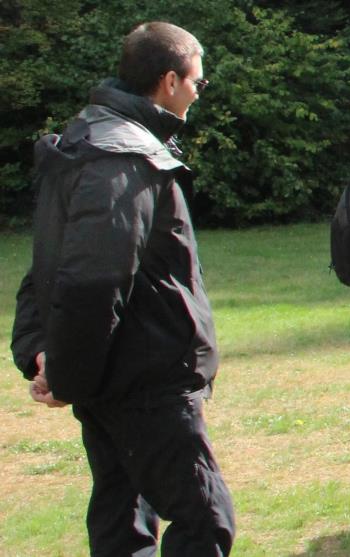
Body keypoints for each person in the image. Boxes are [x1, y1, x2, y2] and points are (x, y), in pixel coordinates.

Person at [9, 21, 236, 555]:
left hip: (117, 376)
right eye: (198, 83)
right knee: (204, 518)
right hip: (145, 382)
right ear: (170, 81)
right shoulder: (124, 156)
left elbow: (51, 263)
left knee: (122, 518)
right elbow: (88, 279)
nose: (198, 95)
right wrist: (57, 369)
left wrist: (48, 356)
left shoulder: (86, 138)